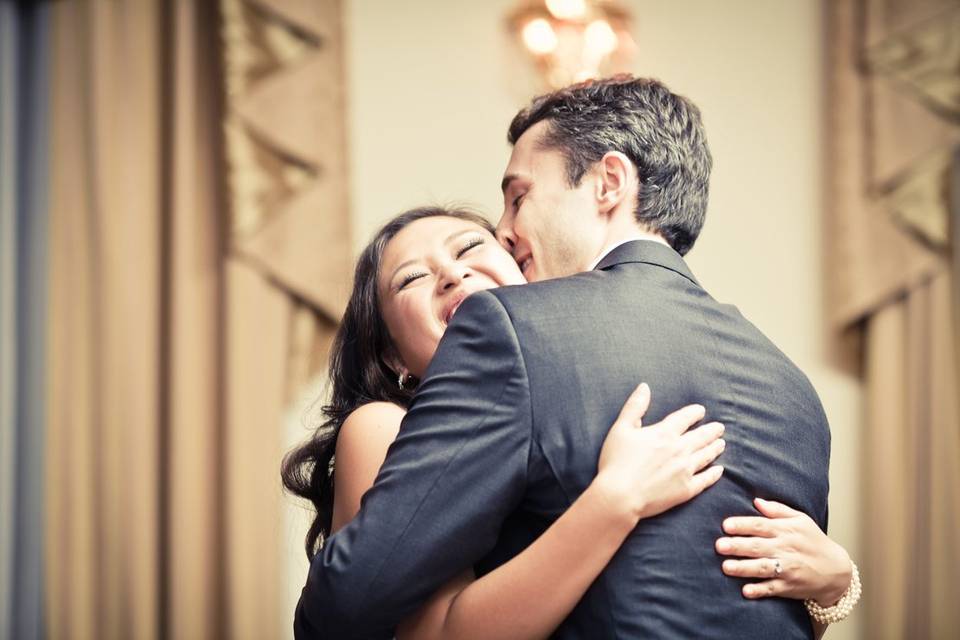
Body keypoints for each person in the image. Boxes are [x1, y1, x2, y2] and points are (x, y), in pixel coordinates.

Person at [292, 76, 855, 638]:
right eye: (411, 278)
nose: (507, 231)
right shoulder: (792, 388)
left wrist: (834, 586)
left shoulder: (513, 329)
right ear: (389, 354)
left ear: (609, 182)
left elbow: (339, 609)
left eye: (517, 199)